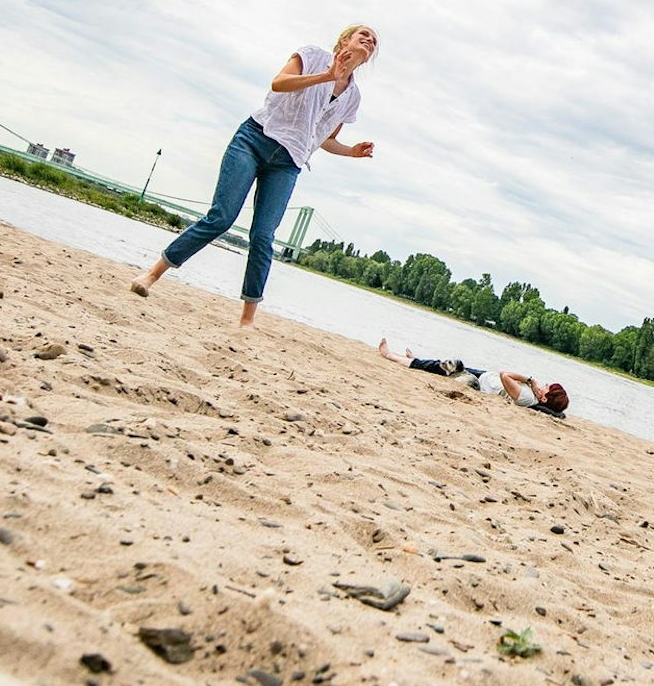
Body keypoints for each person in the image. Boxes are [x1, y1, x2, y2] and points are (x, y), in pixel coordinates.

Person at [129, 26, 378, 326]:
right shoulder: (312, 56)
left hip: (289, 161)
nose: (369, 39)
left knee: (263, 237)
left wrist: (351, 151)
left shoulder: (353, 97)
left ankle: (246, 322)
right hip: (254, 139)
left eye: (374, 41)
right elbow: (279, 83)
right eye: (363, 33)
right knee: (221, 218)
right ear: (344, 40)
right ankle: (152, 274)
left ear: (369, 57)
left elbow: (324, 137)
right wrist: (327, 76)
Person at [377, 339, 569, 418]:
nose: (542, 385)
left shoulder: (529, 398)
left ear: (544, 397)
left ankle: (391, 356)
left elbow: (505, 375)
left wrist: (530, 380)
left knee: (451, 365)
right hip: (484, 376)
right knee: (439, 365)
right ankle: (415, 360)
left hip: (479, 382)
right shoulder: (533, 397)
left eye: (546, 387)